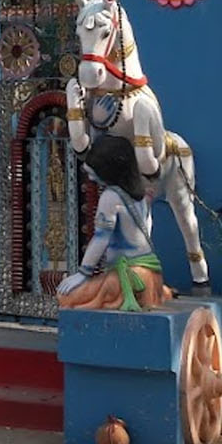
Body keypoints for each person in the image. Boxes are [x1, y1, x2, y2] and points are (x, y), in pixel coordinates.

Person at [57, 133, 175, 311]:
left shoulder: (110, 197)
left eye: (93, 171)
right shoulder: (142, 193)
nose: (90, 177)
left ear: (109, 169)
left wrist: (83, 273)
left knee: (65, 297)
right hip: (151, 274)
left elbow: (101, 238)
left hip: (128, 277)